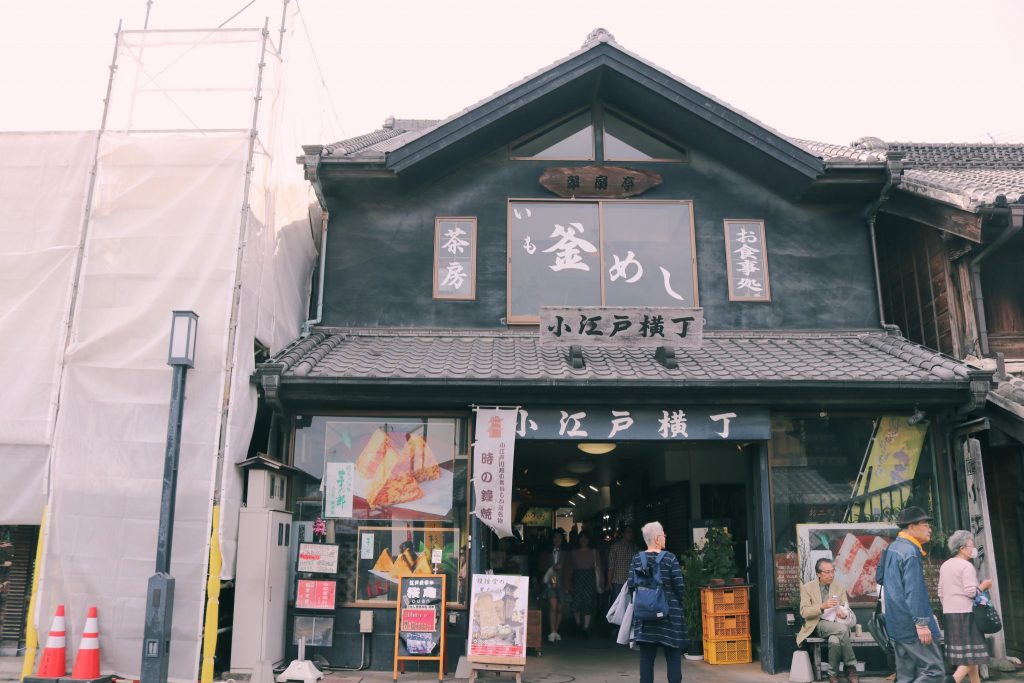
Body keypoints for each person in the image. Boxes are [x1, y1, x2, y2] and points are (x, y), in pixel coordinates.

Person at [875, 506, 943, 683]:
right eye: (926, 524)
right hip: (913, 626)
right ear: (911, 527)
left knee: (907, 675)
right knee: (934, 672)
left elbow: (879, 578)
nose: (930, 528)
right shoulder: (911, 552)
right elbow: (914, 591)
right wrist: (921, 624)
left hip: (896, 623)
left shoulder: (890, 548)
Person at [628, 521, 685, 683]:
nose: (665, 537)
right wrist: (678, 604)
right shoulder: (670, 558)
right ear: (658, 538)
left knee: (646, 658)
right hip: (669, 615)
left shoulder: (637, 559)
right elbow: (679, 586)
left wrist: (646, 602)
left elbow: (631, 585)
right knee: (673, 656)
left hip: (645, 617)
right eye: (664, 534)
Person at [938, 530, 992, 683]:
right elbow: (970, 592)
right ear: (962, 548)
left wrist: (950, 605)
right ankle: (953, 680)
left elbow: (940, 592)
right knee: (972, 655)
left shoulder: (945, 565)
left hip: (950, 614)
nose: (973, 548)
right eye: (971, 545)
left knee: (969, 654)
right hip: (967, 614)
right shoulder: (966, 566)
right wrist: (984, 586)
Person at [797, 558, 859, 683]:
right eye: (827, 572)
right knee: (842, 629)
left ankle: (832, 675)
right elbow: (804, 612)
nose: (831, 575)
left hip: (835, 623)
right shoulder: (807, 588)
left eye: (833, 571)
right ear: (818, 574)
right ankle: (850, 667)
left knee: (835, 641)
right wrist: (822, 606)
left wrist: (843, 614)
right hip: (817, 623)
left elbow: (845, 607)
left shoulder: (839, 586)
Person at [567, 530, 603, 635]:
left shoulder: (593, 551)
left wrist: (600, 581)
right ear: (578, 539)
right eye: (581, 538)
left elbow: (599, 567)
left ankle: (585, 627)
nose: (583, 540)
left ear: (589, 540)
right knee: (576, 601)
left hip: (590, 578)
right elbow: (569, 568)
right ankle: (578, 624)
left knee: (588, 602)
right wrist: (568, 583)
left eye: (585, 538)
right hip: (577, 578)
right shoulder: (573, 552)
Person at [537, 529, 569, 643]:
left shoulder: (566, 553)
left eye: (560, 538)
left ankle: (556, 630)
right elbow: (541, 567)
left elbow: (569, 569)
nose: (557, 540)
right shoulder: (547, 553)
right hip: (551, 581)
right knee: (553, 606)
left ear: (562, 540)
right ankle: (552, 631)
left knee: (560, 608)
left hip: (562, 582)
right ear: (552, 539)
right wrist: (551, 568)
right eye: (555, 537)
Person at [606, 526, 638, 597]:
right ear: (623, 534)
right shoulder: (615, 547)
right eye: (628, 532)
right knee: (617, 604)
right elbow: (611, 566)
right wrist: (609, 582)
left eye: (631, 532)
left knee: (629, 604)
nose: (630, 534)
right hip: (617, 582)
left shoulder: (634, 548)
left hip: (630, 581)